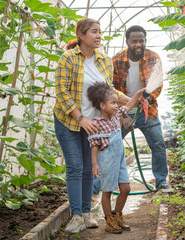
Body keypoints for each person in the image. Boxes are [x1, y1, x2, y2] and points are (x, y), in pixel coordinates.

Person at [54, 18, 129, 234]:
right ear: (81, 35)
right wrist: (80, 118)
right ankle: (76, 215)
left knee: (89, 170)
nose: (98, 36)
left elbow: (110, 91)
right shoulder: (68, 58)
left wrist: (132, 99)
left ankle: (87, 214)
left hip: (93, 125)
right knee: (76, 167)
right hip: (69, 121)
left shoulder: (105, 60)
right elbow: (61, 92)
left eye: (99, 32)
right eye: (94, 32)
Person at [112, 25, 172, 192]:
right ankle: (106, 184)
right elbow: (111, 90)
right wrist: (124, 115)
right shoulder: (116, 60)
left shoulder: (153, 57)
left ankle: (161, 181)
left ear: (145, 41)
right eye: (134, 41)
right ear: (127, 42)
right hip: (123, 111)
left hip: (147, 111)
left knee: (158, 144)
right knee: (111, 144)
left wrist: (149, 97)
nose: (138, 44)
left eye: (141, 41)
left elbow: (158, 84)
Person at [88, 82, 145, 234]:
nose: (116, 105)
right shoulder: (96, 123)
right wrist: (94, 164)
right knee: (107, 192)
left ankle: (118, 215)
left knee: (126, 189)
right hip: (106, 162)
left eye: (116, 102)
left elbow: (129, 106)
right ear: (102, 105)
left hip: (119, 160)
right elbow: (94, 146)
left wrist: (138, 94)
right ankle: (109, 221)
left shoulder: (116, 117)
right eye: (113, 103)